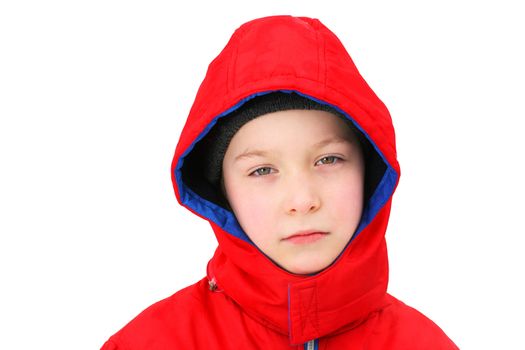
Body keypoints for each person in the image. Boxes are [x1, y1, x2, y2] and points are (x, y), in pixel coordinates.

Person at [101, 15, 458, 349]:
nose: (302, 200)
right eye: (262, 170)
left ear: (370, 171)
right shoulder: (153, 341)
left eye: (328, 160)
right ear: (222, 193)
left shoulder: (422, 342)